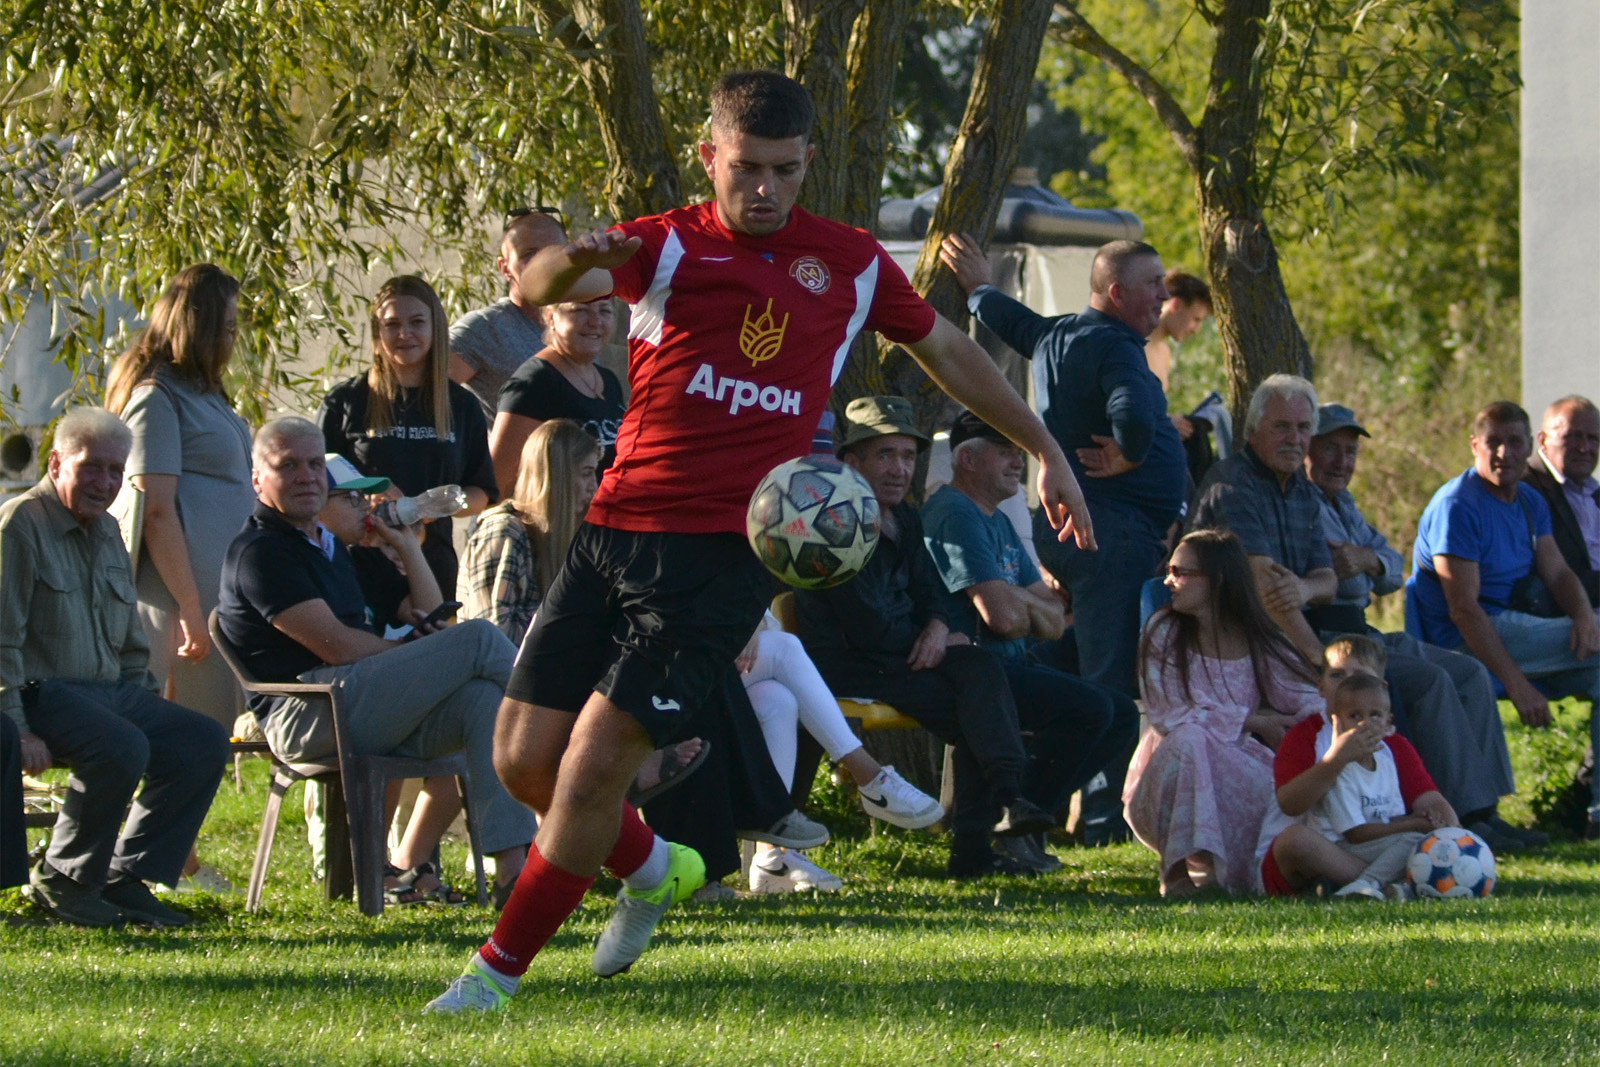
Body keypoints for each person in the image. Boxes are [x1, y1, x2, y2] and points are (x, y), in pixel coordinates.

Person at [426, 72, 1095, 1014]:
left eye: (785, 170)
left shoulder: (853, 263)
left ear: (808, 162)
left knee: (587, 770)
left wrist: (1045, 447)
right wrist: (568, 260)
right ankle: (658, 865)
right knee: (523, 764)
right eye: (748, 169)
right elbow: (539, 284)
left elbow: (947, 348)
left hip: (725, 559)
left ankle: (493, 975)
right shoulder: (662, 245)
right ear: (713, 158)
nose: (767, 189)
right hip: (613, 532)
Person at [218, 418, 537, 906]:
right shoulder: (260, 552)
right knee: (476, 640)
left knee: (481, 700)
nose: (307, 476)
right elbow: (340, 649)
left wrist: (407, 551)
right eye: (288, 466)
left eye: (313, 464)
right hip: (308, 712)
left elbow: (423, 618)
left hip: (357, 704)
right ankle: (560, 735)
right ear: (257, 479)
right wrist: (421, 655)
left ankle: (515, 879)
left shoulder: (328, 548)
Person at [939, 233, 1184, 844]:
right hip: (1108, 538)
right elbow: (1131, 416)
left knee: (1074, 667)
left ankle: (1019, 797)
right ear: (1117, 292)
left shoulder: (1059, 335)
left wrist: (979, 288)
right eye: (1152, 285)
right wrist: (1130, 456)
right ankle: (1093, 824)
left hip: (1076, 540)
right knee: (1109, 686)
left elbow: (1010, 320)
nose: (1163, 295)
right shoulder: (1121, 350)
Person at [796, 398, 1062, 879]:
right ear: (851, 463)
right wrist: (931, 639)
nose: (900, 469)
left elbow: (929, 596)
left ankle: (1004, 805)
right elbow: (866, 625)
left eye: (907, 456)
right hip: (848, 664)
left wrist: (939, 628)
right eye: (885, 456)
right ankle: (988, 828)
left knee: (981, 671)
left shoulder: (908, 518)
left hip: (903, 656)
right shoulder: (834, 524)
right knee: (975, 699)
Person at [2, 406, 229, 927]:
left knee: (201, 740)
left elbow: (128, 639)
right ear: (56, 462)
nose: (104, 483)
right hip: (42, 693)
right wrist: (16, 726)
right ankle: (63, 878)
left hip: (104, 693)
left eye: (114, 471)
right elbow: (2, 636)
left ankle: (126, 876)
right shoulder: (20, 524)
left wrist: (144, 701)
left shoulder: (107, 529)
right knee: (121, 745)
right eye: (90, 468)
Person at [1306, 402, 1530, 850]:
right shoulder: (1303, 505)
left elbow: (1390, 568)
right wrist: (1362, 566)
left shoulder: (1345, 505)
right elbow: (1334, 582)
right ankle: (1460, 811)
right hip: (1332, 637)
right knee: (1431, 680)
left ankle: (1488, 807)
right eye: (1330, 449)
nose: (1341, 462)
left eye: (1349, 451)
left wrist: (1366, 559)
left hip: (1366, 632)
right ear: (1307, 450)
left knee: (1468, 673)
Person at [922, 410, 1141, 861]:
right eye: (1003, 452)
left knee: (1120, 714)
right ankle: (1012, 821)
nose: (1017, 462)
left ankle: (1018, 822)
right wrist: (1024, 605)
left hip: (1011, 661)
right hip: (973, 670)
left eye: (1018, 452)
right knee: (1092, 710)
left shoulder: (997, 520)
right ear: (966, 459)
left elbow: (1056, 618)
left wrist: (1018, 603)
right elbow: (1003, 620)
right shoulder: (953, 511)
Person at [105, 264, 257, 894]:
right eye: (224, 326)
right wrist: (192, 607)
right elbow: (156, 509)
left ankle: (170, 856)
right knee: (177, 728)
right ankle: (155, 863)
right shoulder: (155, 397)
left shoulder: (204, 394)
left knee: (205, 728)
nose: (233, 337)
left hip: (218, 593)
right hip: (177, 596)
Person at [1412, 400, 1600, 835]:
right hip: (1462, 638)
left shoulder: (1530, 502)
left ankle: (1593, 811)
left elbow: (1557, 572)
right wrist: (1518, 685)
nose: (1505, 454)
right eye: (1493, 443)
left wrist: (1584, 616)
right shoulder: (1458, 505)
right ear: (1474, 445)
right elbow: (1464, 609)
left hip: (1515, 628)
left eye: (1514, 442)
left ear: (1526, 445)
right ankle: (1484, 817)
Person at [1125, 530, 1322, 897]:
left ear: (1216, 581)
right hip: (1171, 766)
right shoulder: (1162, 631)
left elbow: (1302, 697)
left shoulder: (1258, 638)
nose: (1168, 581)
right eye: (1168, 570)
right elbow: (1168, 715)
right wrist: (1248, 721)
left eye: (1180, 572)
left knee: (1283, 797)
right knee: (1192, 739)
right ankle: (1177, 874)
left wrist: (1336, 717)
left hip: (1237, 759)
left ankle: (1263, 877)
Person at [737, 608, 944, 893]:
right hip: (673, 660)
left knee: (777, 701)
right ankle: (871, 778)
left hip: (723, 651)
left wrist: (749, 621)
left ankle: (772, 856)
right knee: (785, 649)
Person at [319, 275, 498, 597]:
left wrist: (425, 508)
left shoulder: (461, 404)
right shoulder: (346, 401)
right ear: (377, 331)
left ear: (435, 327)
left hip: (433, 567)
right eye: (392, 324)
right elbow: (317, 484)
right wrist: (367, 495)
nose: (405, 334)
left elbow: (481, 493)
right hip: (359, 567)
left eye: (417, 322)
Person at [1265, 660, 1458, 900]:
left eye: (1374, 715)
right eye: (1354, 715)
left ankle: (1385, 888)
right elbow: (1355, 833)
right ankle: (1371, 883)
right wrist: (1412, 825)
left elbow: (1397, 813)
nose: (1364, 723)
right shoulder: (1336, 762)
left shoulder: (1388, 757)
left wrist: (1430, 822)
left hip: (1380, 846)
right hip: (1339, 849)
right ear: (1337, 717)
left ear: (1388, 720)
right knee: (1295, 840)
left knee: (1421, 839)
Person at [460, 419, 600, 646]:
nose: (594, 486)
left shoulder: (576, 536)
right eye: (586, 473)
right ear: (559, 476)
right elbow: (492, 634)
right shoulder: (505, 533)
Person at [488, 296, 624, 496]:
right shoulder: (534, 383)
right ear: (551, 317)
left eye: (605, 311)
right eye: (580, 310)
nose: (595, 322)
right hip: (556, 523)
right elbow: (497, 483)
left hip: (602, 521)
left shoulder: (608, 380)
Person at [449, 208, 572, 418]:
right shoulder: (484, 329)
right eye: (529, 254)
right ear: (504, 268)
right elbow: (422, 393)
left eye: (553, 251)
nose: (543, 263)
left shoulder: (586, 323)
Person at [1523, 395, 1599, 609]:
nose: (1585, 448)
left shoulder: (1594, 492)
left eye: (1593, 438)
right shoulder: (1524, 489)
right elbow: (1553, 574)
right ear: (1542, 439)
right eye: (1573, 437)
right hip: (1566, 614)